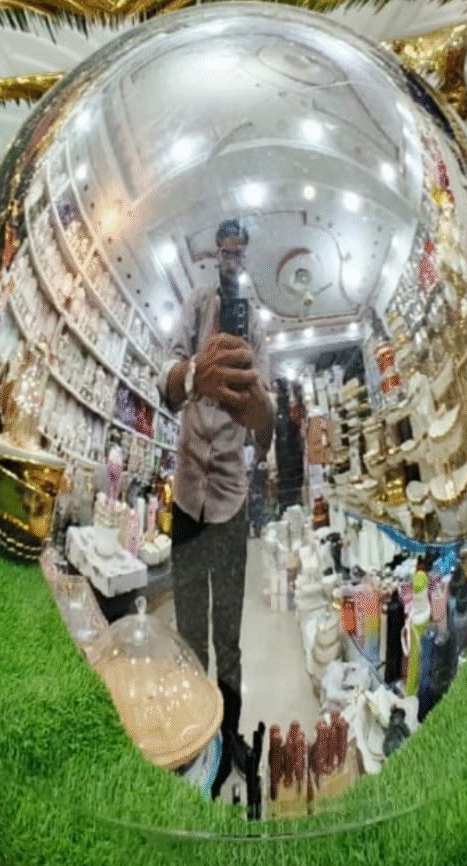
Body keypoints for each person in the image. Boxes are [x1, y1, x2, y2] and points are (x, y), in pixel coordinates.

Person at [158, 219, 274, 798]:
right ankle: (191, 736)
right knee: (187, 635)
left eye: (238, 255)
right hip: (186, 497)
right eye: (224, 253)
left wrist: (258, 406)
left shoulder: (258, 327)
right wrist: (194, 375)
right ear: (214, 255)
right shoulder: (195, 306)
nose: (231, 263)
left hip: (229, 500)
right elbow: (165, 385)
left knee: (227, 637)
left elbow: (267, 426)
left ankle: (227, 738)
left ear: (245, 258)